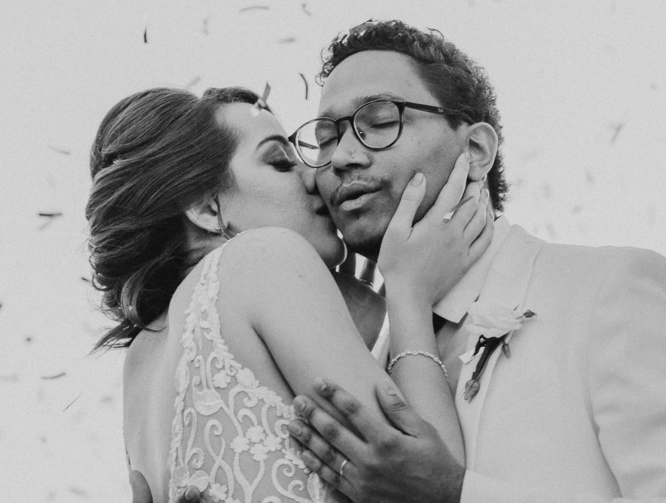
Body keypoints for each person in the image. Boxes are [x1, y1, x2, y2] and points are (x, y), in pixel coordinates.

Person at [283, 20, 666, 503]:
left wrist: (456, 495)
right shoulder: (356, 361)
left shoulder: (607, 289)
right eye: (325, 138)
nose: (343, 156)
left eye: (380, 122)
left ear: (475, 151)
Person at [89, 86, 495, 503]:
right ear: (205, 207)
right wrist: (409, 295)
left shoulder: (141, 358)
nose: (316, 177)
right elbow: (427, 478)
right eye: (280, 162)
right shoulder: (263, 255)